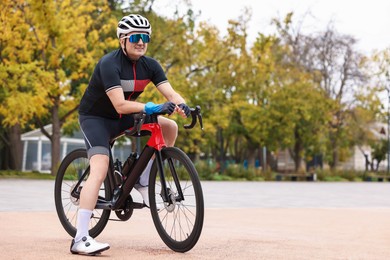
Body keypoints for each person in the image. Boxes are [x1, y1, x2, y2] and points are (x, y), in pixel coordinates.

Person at [71, 14, 191, 255]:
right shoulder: (109, 64)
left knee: (169, 127)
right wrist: (150, 107)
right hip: (97, 119)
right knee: (100, 167)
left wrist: (184, 106)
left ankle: (143, 179)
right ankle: (80, 238)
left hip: (123, 117)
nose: (141, 42)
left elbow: (170, 93)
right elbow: (119, 105)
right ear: (122, 40)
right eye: (135, 37)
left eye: (145, 37)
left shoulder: (151, 65)